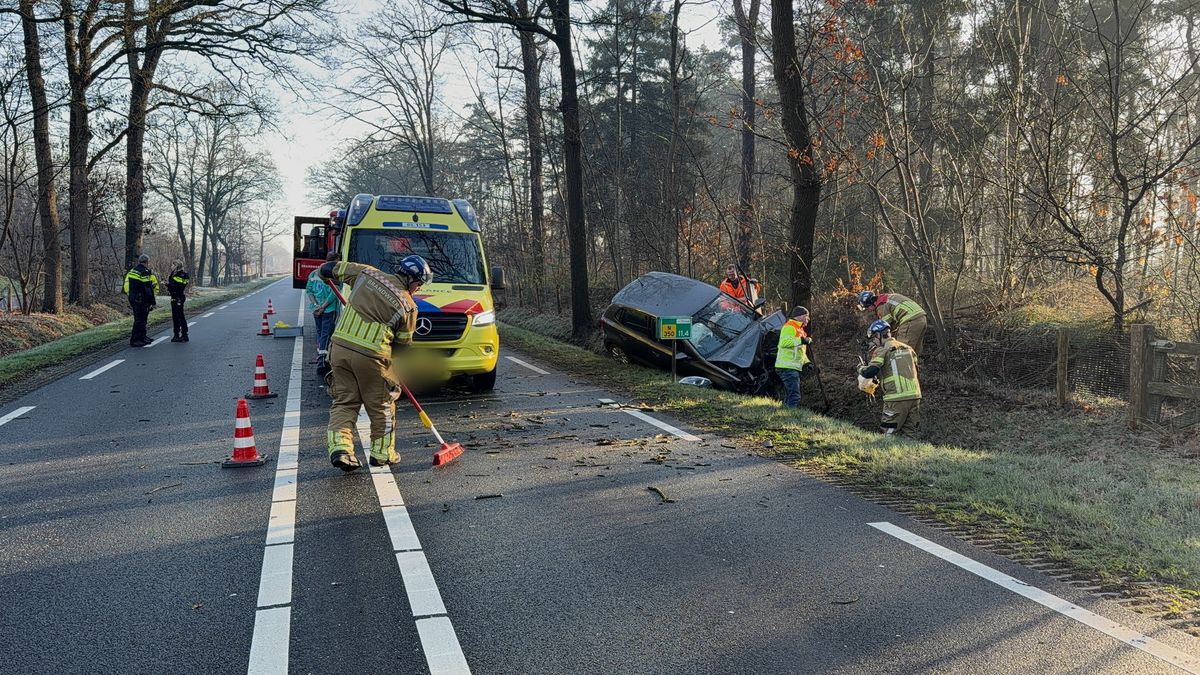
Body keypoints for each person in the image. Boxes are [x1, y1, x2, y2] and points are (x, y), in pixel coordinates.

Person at [319, 254, 430, 471]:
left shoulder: (366, 273)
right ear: (412, 280)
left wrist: (325, 276)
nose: (418, 288)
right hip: (373, 356)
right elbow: (402, 346)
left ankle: (341, 450)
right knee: (382, 405)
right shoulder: (408, 306)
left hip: (339, 349)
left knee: (344, 401)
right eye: (419, 284)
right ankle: (382, 454)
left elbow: (328, 268)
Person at [857, 319, 922, 435]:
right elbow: (913, 370)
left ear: (878, 335)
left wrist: (860, 368)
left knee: (887, 434)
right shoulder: (908, 348)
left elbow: (870, 372)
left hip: (896, 398)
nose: (874, 342)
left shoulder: (882, 350)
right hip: (915, 396)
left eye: (874, 338)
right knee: (910, 435)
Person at [856, 290, 928, 356]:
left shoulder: (881, 306)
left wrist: (875, 343)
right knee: (914, 352)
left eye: (867, 307)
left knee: (901, 352)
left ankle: (901, 369)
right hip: (921, 319)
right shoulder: (887, 298)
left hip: (910, 321)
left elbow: (885, 330)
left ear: (871, 302)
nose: (869, 310)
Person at [774, 305, 812, 408]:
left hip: (790, 367)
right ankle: (790, 417)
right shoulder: (789, 326)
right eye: (807, 316)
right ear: (800, 316)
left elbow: (800, 351)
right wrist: (802, 340)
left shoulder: (800, 330)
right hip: (787, 367)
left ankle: (785, 413)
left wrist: (807, 363)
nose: (808, 319)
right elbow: (784, 343)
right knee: (794, 396)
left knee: (790, 395)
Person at [306, 251, 341, 360]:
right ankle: (322, 358)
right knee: (326, 333)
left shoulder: (313, 273)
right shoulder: (334, 274)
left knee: (320, 332)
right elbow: (335, 292)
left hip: (316, 309)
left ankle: (320, 353)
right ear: (335, 261)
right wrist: (323, 307)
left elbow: (309, 290)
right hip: (328, 309)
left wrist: (315, 305)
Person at [123, 254, 159, 347]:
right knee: (140, 320)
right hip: (140, 299)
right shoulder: (144, 272)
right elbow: (148, 288)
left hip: (133, 297)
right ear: (147, 262)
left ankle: (142, 337)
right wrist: (153, 302)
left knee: (140, 319)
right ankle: (136, 340)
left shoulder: (133, 271)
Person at [167, 260, 190, 342]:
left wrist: (169, 285)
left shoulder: (183, 275)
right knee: (175, 317)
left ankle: (184, 334)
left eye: (172, 265)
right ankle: (176, 334)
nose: (171, 266)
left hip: (179, 297)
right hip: (173, 296)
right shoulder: (173, 274)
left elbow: (181, 286)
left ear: (176, 266)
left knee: (180, 316)